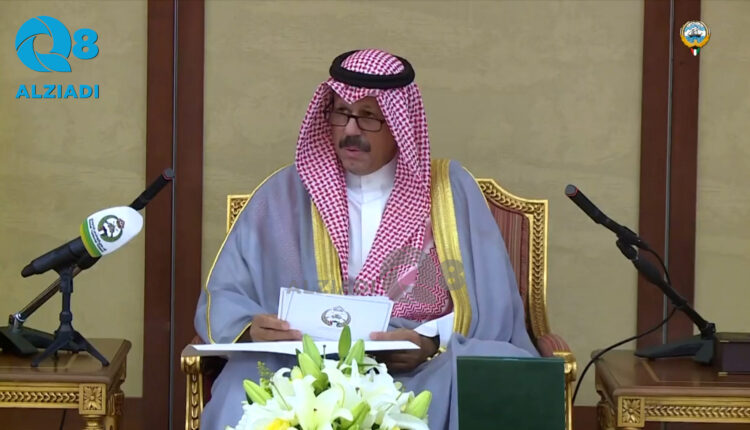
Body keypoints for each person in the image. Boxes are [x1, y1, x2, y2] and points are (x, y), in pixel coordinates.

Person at [194, 49, 539, 430]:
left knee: (490, 374)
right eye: (341, 113)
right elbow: (225, 293)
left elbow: (492, 305)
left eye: (369, 116)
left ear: (400, 122)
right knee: (240, 383)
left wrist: (429, 341)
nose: (350, 131)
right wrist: (251, 328)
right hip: (301, 367)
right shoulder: (283, 194)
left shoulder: (449, 191)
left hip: (419, 370)